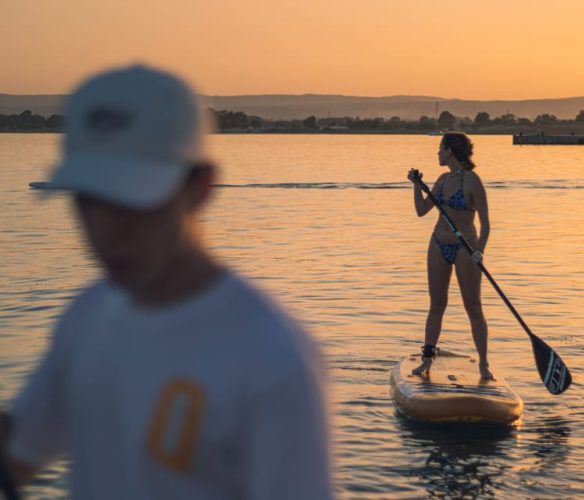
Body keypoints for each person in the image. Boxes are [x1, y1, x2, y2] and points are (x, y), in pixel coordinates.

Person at [0, 66, 334, 499]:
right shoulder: (88, 313)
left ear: (200, 187)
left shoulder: (271, 356)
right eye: (89, 200)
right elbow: (20, 449)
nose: (105, 230)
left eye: (133, 200)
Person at [407, 132, 493, 380]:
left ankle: (484, 364)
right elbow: (421, 211)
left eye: (440, 148)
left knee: (473, 307)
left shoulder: (473, 182)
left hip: (466, 249)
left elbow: (486, 225)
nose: (437, 153)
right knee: (436, 304)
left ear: (450, 151)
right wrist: (416, 186)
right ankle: (427, 360)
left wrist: (480, 250)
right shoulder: (443, 180)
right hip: (437, 245)